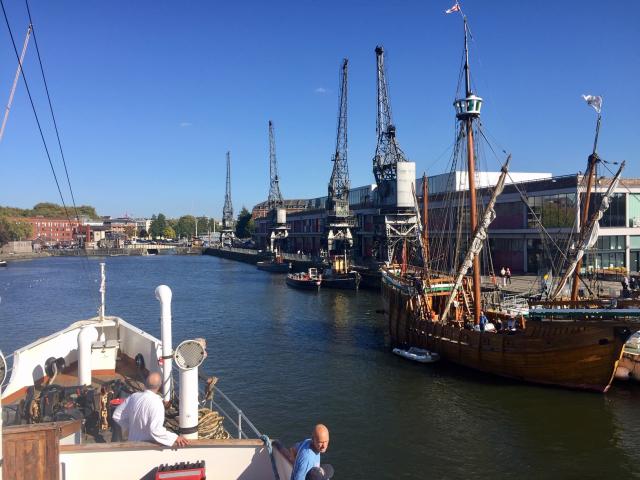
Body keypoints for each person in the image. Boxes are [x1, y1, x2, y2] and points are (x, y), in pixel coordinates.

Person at [112, 371, 189, 448]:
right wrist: (175, 437)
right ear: (160, 386)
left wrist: (131, 427)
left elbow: (117, 415)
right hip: (147, 448)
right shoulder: (157, 403)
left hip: (132, 444)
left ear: (146, 383)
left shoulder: (134, 397)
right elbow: (156, 430)